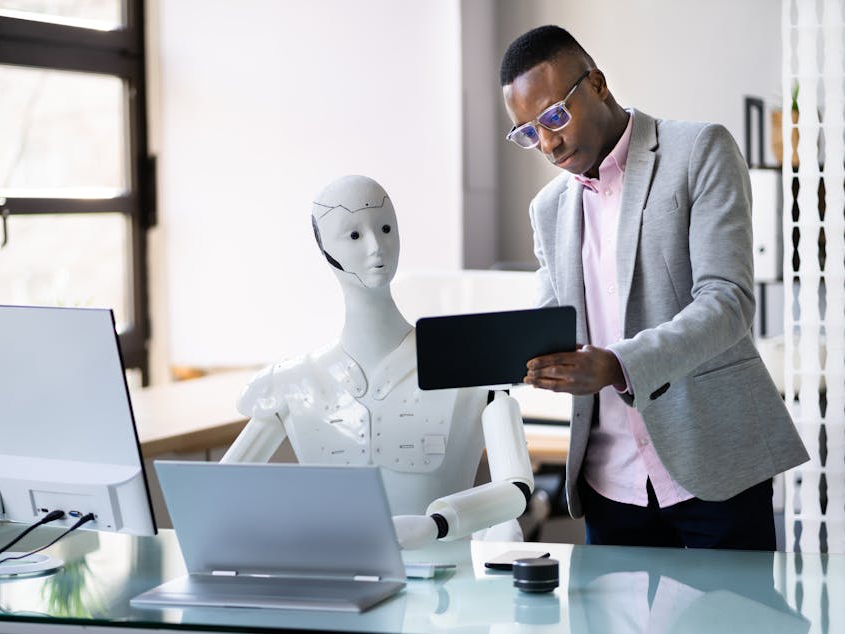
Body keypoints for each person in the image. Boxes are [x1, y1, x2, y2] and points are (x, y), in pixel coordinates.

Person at [499, 25, 808, 550]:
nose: (547, 143)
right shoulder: (547, 208)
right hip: (609, 482)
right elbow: (551, 325)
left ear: (596, 84)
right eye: (528, 132)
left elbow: (727, 301)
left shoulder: (698, 150)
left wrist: (619, 364)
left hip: (715, 466)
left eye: (554, 117)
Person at [221, 174, 534, 550]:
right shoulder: (292, 382)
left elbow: (516, 489)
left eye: (385, 228)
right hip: (334, 585)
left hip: (444, 590)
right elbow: (218, 494)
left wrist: (436, 525)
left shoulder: (473, 364)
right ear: (325, 249)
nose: (376, 247)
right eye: (353, 235)